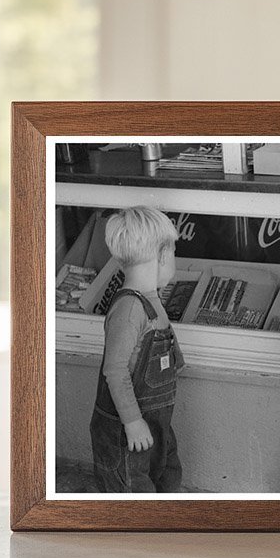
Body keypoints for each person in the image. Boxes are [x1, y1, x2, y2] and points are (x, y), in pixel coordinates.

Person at [90, 206, 185, 492]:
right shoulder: (130, 309)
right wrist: (132, 422)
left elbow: (161, 339)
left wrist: (176, 361)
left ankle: (161, 529)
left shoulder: (150, 300)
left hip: (156, 422)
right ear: (163, 254)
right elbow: (116, 369)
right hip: (126, 432)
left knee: (166, 475)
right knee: (131, 489)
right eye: (175, 253)